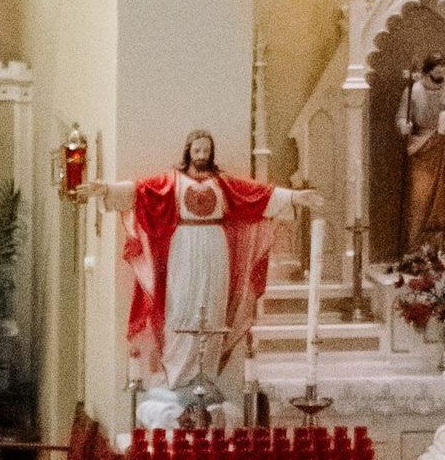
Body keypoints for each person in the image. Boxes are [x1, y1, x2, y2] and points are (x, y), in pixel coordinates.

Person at [95, 127, 315, 405]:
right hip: (183, 249)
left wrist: (295, 197)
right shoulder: (172, 182)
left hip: (215, 251)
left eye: (206, 151)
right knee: (181, 305)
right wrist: (106, 189)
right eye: (197, 150)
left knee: (212, 308)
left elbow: (258, 195)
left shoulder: (223, 184)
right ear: (188, 151)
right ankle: (178, 377)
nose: (201, 155)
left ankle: (205, 375)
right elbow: (140, 191)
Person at [396, 50, 445, 258]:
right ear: (429, 68)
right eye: (438, 66)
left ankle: (441, 249)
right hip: (422, 147)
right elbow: (401, 117)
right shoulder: (413, 90)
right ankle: (414, 249)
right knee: (419, 200)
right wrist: (403, 126)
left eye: (444, 66)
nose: (442, 70)